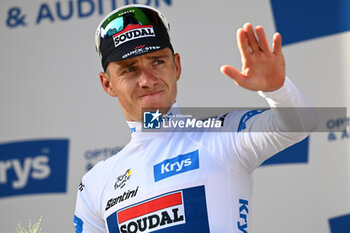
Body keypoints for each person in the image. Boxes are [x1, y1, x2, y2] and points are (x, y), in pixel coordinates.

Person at [74, 4, 318, 233]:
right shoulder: (95, 183)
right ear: (107, 84)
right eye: (130, 69)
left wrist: (277, 90)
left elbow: (299, 125)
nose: (147, 80)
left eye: (157, 61)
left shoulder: (221, 136)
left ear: (176, 66)